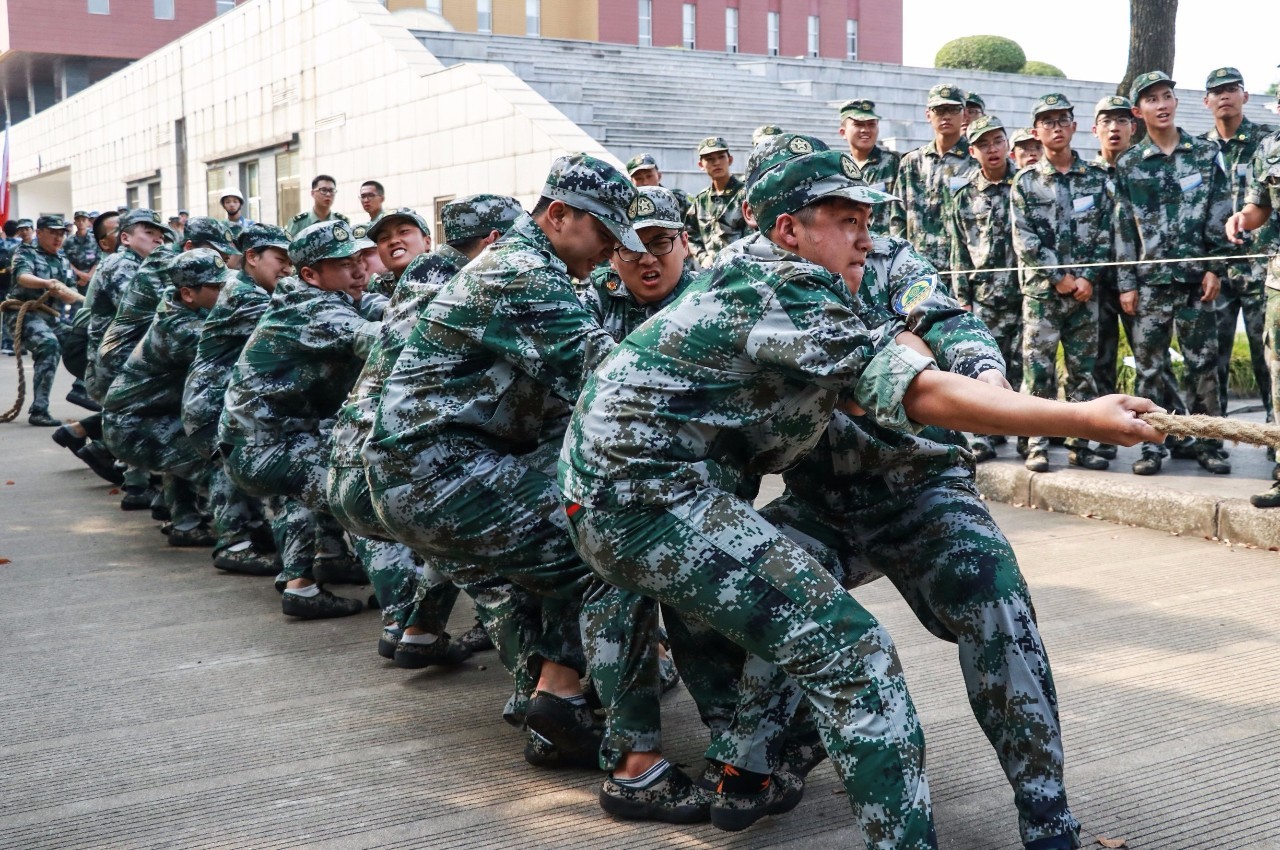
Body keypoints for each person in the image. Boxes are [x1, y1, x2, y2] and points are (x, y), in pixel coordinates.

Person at [559, 137, 1163, 848]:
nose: (863, 235)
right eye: (845, 219)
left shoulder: (879, 262)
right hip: (801, 501)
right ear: (786, 227)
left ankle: (1047, 815)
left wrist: (986, 384)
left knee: (997, 606)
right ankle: (756, 755)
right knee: (801, 633)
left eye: (864, 217)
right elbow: (903, 383)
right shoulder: (769, 283)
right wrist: (1073, 415)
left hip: (917, 492)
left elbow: (945, 329)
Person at [365, 155, 689, 814]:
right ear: (558, 216)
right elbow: (611, 382)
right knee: (614, 553)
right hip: (442, 473)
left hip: (440, 471)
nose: (608, 254)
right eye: (603, 234)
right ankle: (637, 767)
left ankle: (557, 698)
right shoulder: (522, 275)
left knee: (569, 533)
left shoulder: (529, 267)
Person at [219, 220, 382, 618]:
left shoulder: (315, 296)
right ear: (311, 273)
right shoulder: (314, 308)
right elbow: (377, 340)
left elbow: (369, 308)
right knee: (364, 496)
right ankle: (406, 616)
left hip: (263, 440)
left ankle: (302, 584)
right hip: (267, 445)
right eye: (345, 264)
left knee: (307, 487)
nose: (359, 270)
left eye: (360, 259)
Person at [1114, 70, 1233, 476]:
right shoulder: (1129, 163)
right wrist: (1126, 284)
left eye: (1167, 96)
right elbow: (1123, 228)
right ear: (1137, 111)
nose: (1161, 104)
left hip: (1195, 283)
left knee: (1205, 366)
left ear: (1176, 102)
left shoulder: (1202, 152)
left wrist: (1215, 266)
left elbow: (1220, 211)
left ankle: (1210, 444)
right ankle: (1152, 446)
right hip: (1149, 286)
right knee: (1149, 369)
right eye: (1152, 99)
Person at [183, 223, 294, 576]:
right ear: (252, 257)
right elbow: (292, 329)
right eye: (281, 259)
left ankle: (247, 534)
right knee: (230, 462)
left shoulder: (247, 287)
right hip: (212, 404)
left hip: (221, 400)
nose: (287, 269)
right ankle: (233, 543)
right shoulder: (244, 295)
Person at [1012, 93, 1114, 473]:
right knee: (1038, 372)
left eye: (1062, 120)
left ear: (1073, 126)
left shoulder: (1096, 179)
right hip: (1043, 295)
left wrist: (1087, 277)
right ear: (1037, 131)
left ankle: (1080, 442)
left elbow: (1106, 233)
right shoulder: (1025, 183)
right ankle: (1037, 443)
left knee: (1081, 372)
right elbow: (1025, 240)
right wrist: (1060, 277)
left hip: (1085, 295)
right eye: (1047, 121)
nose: (1056, 127)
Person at [101, 249, 228, 546]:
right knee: (220, 464)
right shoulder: (181, 328)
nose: (225, 293)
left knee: (188, 445)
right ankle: (238, 541)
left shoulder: (189, 310)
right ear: (188, 293)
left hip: (152, 416)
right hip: (132, 425)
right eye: (217, 287)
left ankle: (185, 522)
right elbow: (229, 353)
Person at [1201, 67, 1274, 422]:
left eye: (1232, 89)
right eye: (1217, 91)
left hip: (1262, 269)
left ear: (1245, 96)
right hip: (1217, 270)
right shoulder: (1198, 150)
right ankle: (1213, 441)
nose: (1225, 96)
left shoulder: (1266, 142)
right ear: (1207, 101)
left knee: (1268, 357)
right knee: (1213, 359)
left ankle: (1275, 440)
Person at [947, 115, 1022, 461]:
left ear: (1007, 144)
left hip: (1024, 294)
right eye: (983, 145)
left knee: (1026, 364)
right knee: (984, 366)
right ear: (972, 151)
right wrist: (962, 300)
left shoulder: (1025, 184)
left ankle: (1026, 432)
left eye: (997, 141)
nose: (992, 150)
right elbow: (958, 252)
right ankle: (982, 435)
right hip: (984, 294)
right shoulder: (964, 195)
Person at [1226, 87, 1280, 506]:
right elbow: (1258, 206)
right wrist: (1242, 218)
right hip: (1279, 282)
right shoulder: (1270, 147)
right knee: (1279, 374)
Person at [1091, 95, 1139, 455]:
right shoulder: (1085, 175)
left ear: (1132, 127)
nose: (1114, 128)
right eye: (1106, 121)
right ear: (1095, 130)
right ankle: (1106, 435)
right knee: (1101, 361)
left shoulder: (1143, 170)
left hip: (1140, 284)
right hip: (1096, 288)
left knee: (1152, 362)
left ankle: (1168, 433)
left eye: (1121, 121)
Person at [3, 214, 81, 426]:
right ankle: (39, 410)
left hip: (51, 318)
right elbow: (22, 277)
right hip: (23, 314)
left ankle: (82, 388)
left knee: (82, 340)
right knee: (49, 345)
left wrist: (68, 294)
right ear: (39, 233)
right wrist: (47, 284)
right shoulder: (25, 252)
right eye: (53, 233)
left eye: (61, 234)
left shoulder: (62, 258)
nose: (58, 238)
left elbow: (71, 288)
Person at [892, 83, 974, 273]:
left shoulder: (975, 160)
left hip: (961, 269)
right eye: (939, 110)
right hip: (918, 268)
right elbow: (898, 218)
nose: (946, 116)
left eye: (953, 109)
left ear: (964, 115)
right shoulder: (912, 162)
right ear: (928, 114)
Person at [838, 98, 900, 232]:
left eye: (871, 124)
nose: (865, 130)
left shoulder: (894, 164)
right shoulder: (839, 169)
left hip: (885, 247)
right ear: (843, 132)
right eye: (859, 124)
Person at [684, 136, 747, 266]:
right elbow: (690, 232)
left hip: (740, 270)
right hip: (710, 273)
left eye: (721, 157)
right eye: (710, 159)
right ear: (701, 165)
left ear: (730, 160)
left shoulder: (744, 194)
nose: (716, 162)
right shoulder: (701, 200)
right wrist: (703, 257)